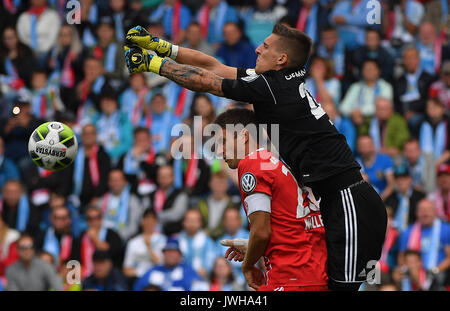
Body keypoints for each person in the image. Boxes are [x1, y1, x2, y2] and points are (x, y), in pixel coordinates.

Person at [125, 23, 388, 291]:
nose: (257, 48)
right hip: (334, 202)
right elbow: (215, 66)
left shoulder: (271, 88)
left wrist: (154, 65)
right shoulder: (276, 81)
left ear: (281, 59)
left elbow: (207, 81)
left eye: (266, 46)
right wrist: (164, 47)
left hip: (349, 202)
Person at [213, 108, 328, 291]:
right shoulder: (270, 161)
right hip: (311, 271)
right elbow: (285, 225)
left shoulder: (251, 165)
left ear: (244, 136)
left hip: (291, 276)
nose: (219, 151)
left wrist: (247, 265)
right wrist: (253, 247)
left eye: (223, 142)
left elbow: (261, 232)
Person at [397, 199, 450, 283]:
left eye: (428, 209)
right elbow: (401, 257)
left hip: (438, 275)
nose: (425, 213)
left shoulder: (446, 230)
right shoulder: (407, 232)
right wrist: (409, 271)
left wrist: (434, 271)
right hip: (412, 277)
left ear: (435, 212)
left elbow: (449, 257)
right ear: (416, 213)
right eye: (422, 210)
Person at [133, 237, 206, 291]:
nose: (170, 255)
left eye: (174, 251)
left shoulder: (188, 272)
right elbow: (137, 288)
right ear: (163, 254)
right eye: (168, 251)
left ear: (180, 255)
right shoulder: (153, 271)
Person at [69, 124, 111, 211]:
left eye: (91, 133)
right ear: (81, 136)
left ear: (96, 135)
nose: (88, 136)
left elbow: (105, 179)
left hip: (98, 199)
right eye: (85, 134)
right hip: (75, 197)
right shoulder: (73, 154)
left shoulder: (103, 155)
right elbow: (67, 176)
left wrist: (97, 197)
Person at [97, 169, 144, 241]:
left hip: (125, 240)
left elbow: (134, 226)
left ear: (125, 182)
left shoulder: (133, 201)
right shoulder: (101, 201)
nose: (115, 183)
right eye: (112, 180)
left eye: (118, 180)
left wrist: (116, 238)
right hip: (103, 239)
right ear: (108, 182)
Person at [122, 208, 166, 281]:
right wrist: (141, 273)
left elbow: (162, 264)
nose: (149, 222)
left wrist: (149, 247)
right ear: (142, 221)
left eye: (152, 220)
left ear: (156, 222)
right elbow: (126, 269)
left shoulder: (162, 240)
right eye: (146, 219)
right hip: (137, 279)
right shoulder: (133, 242)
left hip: (157, 278)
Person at [80, 206, 123, 279]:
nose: (94, 222)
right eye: (90, 219)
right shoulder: (82, 235)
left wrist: (95, 239)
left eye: (97, 218)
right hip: (85, 274)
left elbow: (112, 253)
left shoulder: (112, 234)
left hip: (109, 275)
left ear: (101, 219)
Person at [196, 171, 239, 240]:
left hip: (226, 237)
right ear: (210, 184)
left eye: (221, 183)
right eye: (216, 183)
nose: (218, 186)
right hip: (204, 238)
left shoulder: (233, 204)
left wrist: (210, 233)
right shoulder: (202, 203)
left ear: (227, 185)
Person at [149, 164, 189, 236]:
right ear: (157, 178)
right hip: (152, 233)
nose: (164, 178)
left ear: (173, 178)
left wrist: (155, 216)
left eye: (167, 176)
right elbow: (146, 214)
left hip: (174, 234)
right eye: (161, 176)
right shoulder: (151, 195)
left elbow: (176, 215)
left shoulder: (181, 194)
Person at [177, 209, 217, 278]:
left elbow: (211, 260)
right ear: (183, 222)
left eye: (195, 221)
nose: (191, 223)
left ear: (200, 223)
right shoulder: (177, 239)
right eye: (189, 220)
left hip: (200, 277)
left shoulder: (207, 241)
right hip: (180, 275)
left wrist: (205, 270)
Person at [385, 166, 426, 233]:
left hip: (415, 232)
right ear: (395, 181)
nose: (401, 182)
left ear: (410, 179)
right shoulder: (390, 198)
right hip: (393, 233)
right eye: (398, 179)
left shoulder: (420, 197)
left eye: (404, 178)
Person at [356, 135, 395, 200]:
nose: (365, 148)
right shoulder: (356, 163)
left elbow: (391, 185)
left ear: (373, 145)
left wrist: (379, 200)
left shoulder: (385, 160)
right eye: (362, 145)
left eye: (367, 145)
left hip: (384, 199)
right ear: (358, 147)